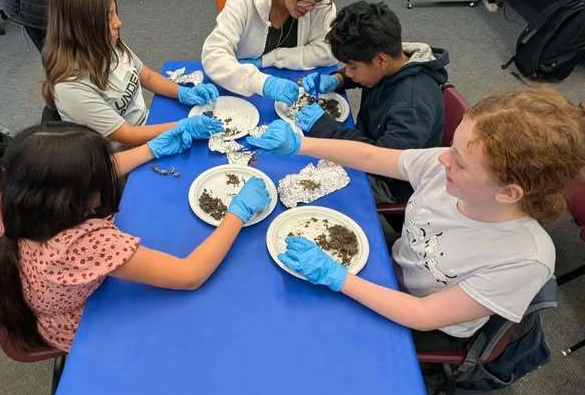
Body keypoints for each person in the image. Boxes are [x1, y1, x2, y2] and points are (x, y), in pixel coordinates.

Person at [246, 89, 585, 352]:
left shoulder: (524, 258)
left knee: (312, 339)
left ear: (509, 193)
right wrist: (302, 144)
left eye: (461, 161)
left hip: (429, 323)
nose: (442, 158)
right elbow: (371, 156)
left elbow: (422, 315)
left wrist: (336, 278)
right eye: (451, 147)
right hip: (391, 267)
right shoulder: (447, 168)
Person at [0, 123, 270, 352]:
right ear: (73, 197)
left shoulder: (21, 199)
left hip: (42, 306)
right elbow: (190, 275)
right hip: (84, 326)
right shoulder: (80, 246)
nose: (106, 176)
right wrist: (237, 214)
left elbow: (88, 173)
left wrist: (151, 149)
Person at [42, 0, 219, 148]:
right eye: (108, 17)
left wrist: (182, 92)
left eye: (115, 13)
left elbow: (147, 76)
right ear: (81, 29)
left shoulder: (106, 43)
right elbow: (128, 135)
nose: (118, 23)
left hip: (146, 127)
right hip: (125, 155)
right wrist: (183, 127)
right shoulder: (71, 88)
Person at [296, 1, 449, 203]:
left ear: (380, 60)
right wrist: (339, 79)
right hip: (369, 142)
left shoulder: (411, 106)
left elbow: (381, 161)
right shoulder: (394, 58)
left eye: (352, 67)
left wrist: (328, 129)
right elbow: (369, 72)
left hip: (391, 181)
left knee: (300, 176)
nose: (349, 72)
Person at [201, 0, 338, 105]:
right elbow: (213, 55)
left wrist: (272, 58)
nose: (310, 7)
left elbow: (330, 49)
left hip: (291, 92)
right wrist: (261, 83)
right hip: (243, 93)